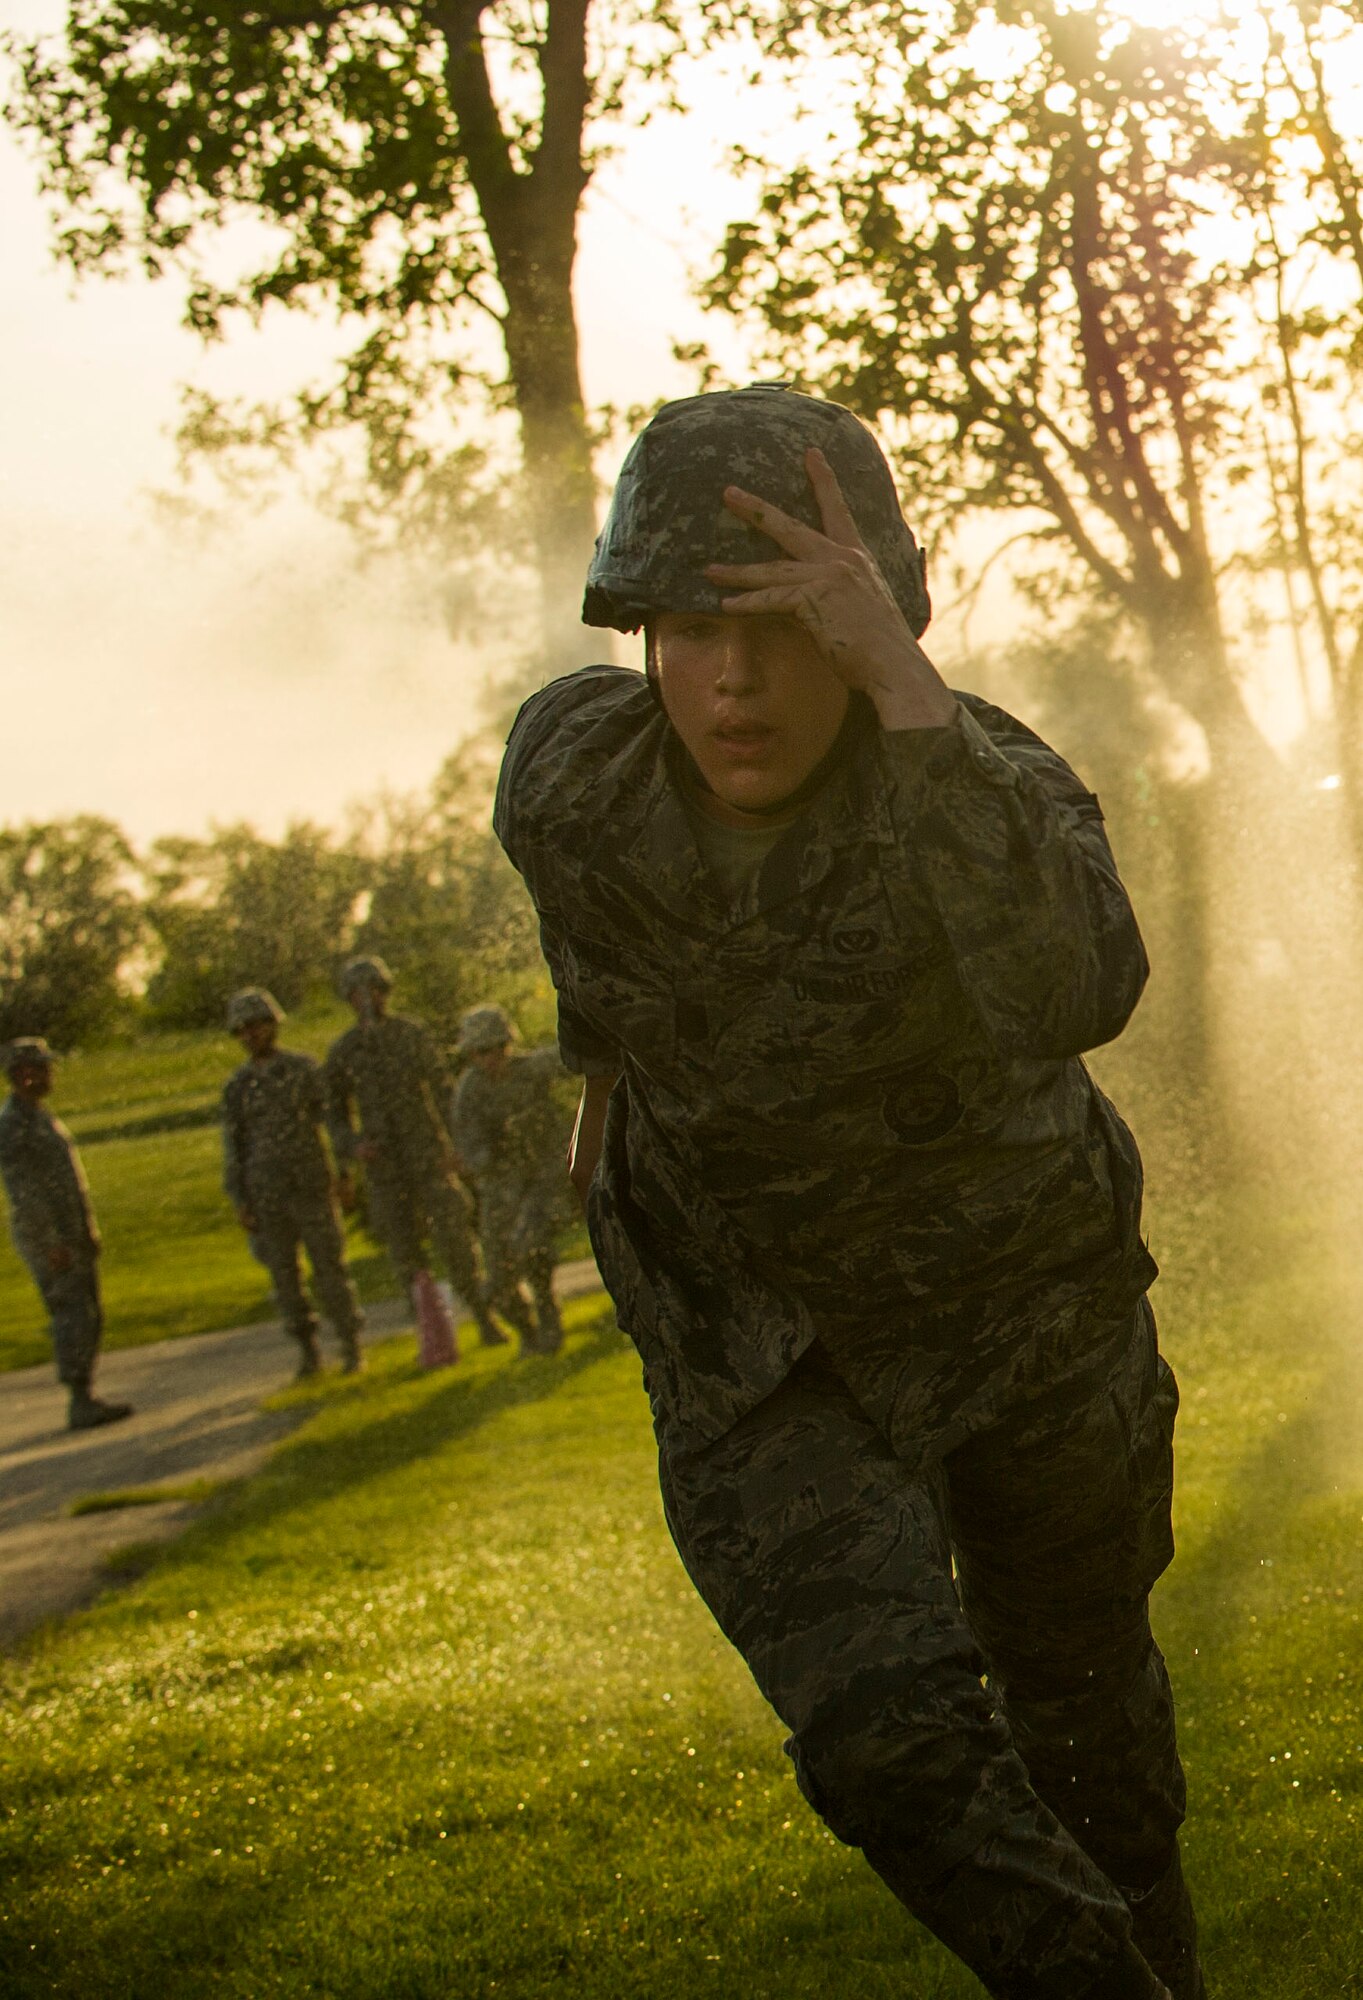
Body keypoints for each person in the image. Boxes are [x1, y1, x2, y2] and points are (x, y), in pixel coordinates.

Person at [493, 385, 1203, 1999]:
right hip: (758, 1345)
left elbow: (1077, 985)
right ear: (638, 636)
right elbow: (599, 967)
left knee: (1092, 1752)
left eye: (790, 629)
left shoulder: (975, 781)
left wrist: (903, 687)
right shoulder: (569, 780)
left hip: (1023, 1314)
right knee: (887, 1745)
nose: (732, 677)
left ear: (869, 625)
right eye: (686, 625)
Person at [324, 957, 508, 1349]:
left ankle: (484, 1318)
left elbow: (443, 1093)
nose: (367, 1000)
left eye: (373, 990)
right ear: (349, 999)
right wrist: (354, 1146)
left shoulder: (410, 1035)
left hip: (429, 1158)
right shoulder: (344, 1051)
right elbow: (335, 1114)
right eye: (358, 993)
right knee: (406, 1257)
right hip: (384, 1169)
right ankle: (434, 1336)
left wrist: (456, 1146)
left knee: (456, 1242)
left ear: (384, 991)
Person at [221, 988, 365, 1377]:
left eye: (258, 1026)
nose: (251, 1035)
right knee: (285, 1279)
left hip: (311, 1185)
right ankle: (308, 1350)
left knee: (330, 1269)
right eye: (243, 1030)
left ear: (273, 1025)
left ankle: (351, 1345)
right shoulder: (237, 1087)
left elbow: (331, 1123)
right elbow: (233, 1147)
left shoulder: (302, 1070)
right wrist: (241, 1200)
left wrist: (344, 1174)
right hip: (266, 1192)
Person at [0, 1037, 132, 1431]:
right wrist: (51, 1242)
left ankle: (86, 1394)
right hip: (50, 1238)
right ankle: (79, 1399)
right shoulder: (12, 1126)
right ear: (23, 1074)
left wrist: (85, 1229)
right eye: (41, 1068)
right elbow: (24, 1191)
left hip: (70, 1232)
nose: (48, 1075)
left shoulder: (39, 1117)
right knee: (71, 1313)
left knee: (87, 1312)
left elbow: (70, 1182)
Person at [451, 1003, 572, 1355]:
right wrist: (492, 1150)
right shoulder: (469, 1091)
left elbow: (570, 1058)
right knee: (498, 1284)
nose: (491, 1058)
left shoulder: (529, 1070)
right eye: (481, 1051)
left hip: (539, 1180)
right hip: (500, 1188)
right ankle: (528, 1334)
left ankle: (550, 1325)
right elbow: (469, 1146)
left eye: (497, 1048)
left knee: (533, 1253)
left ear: (508, 1044)